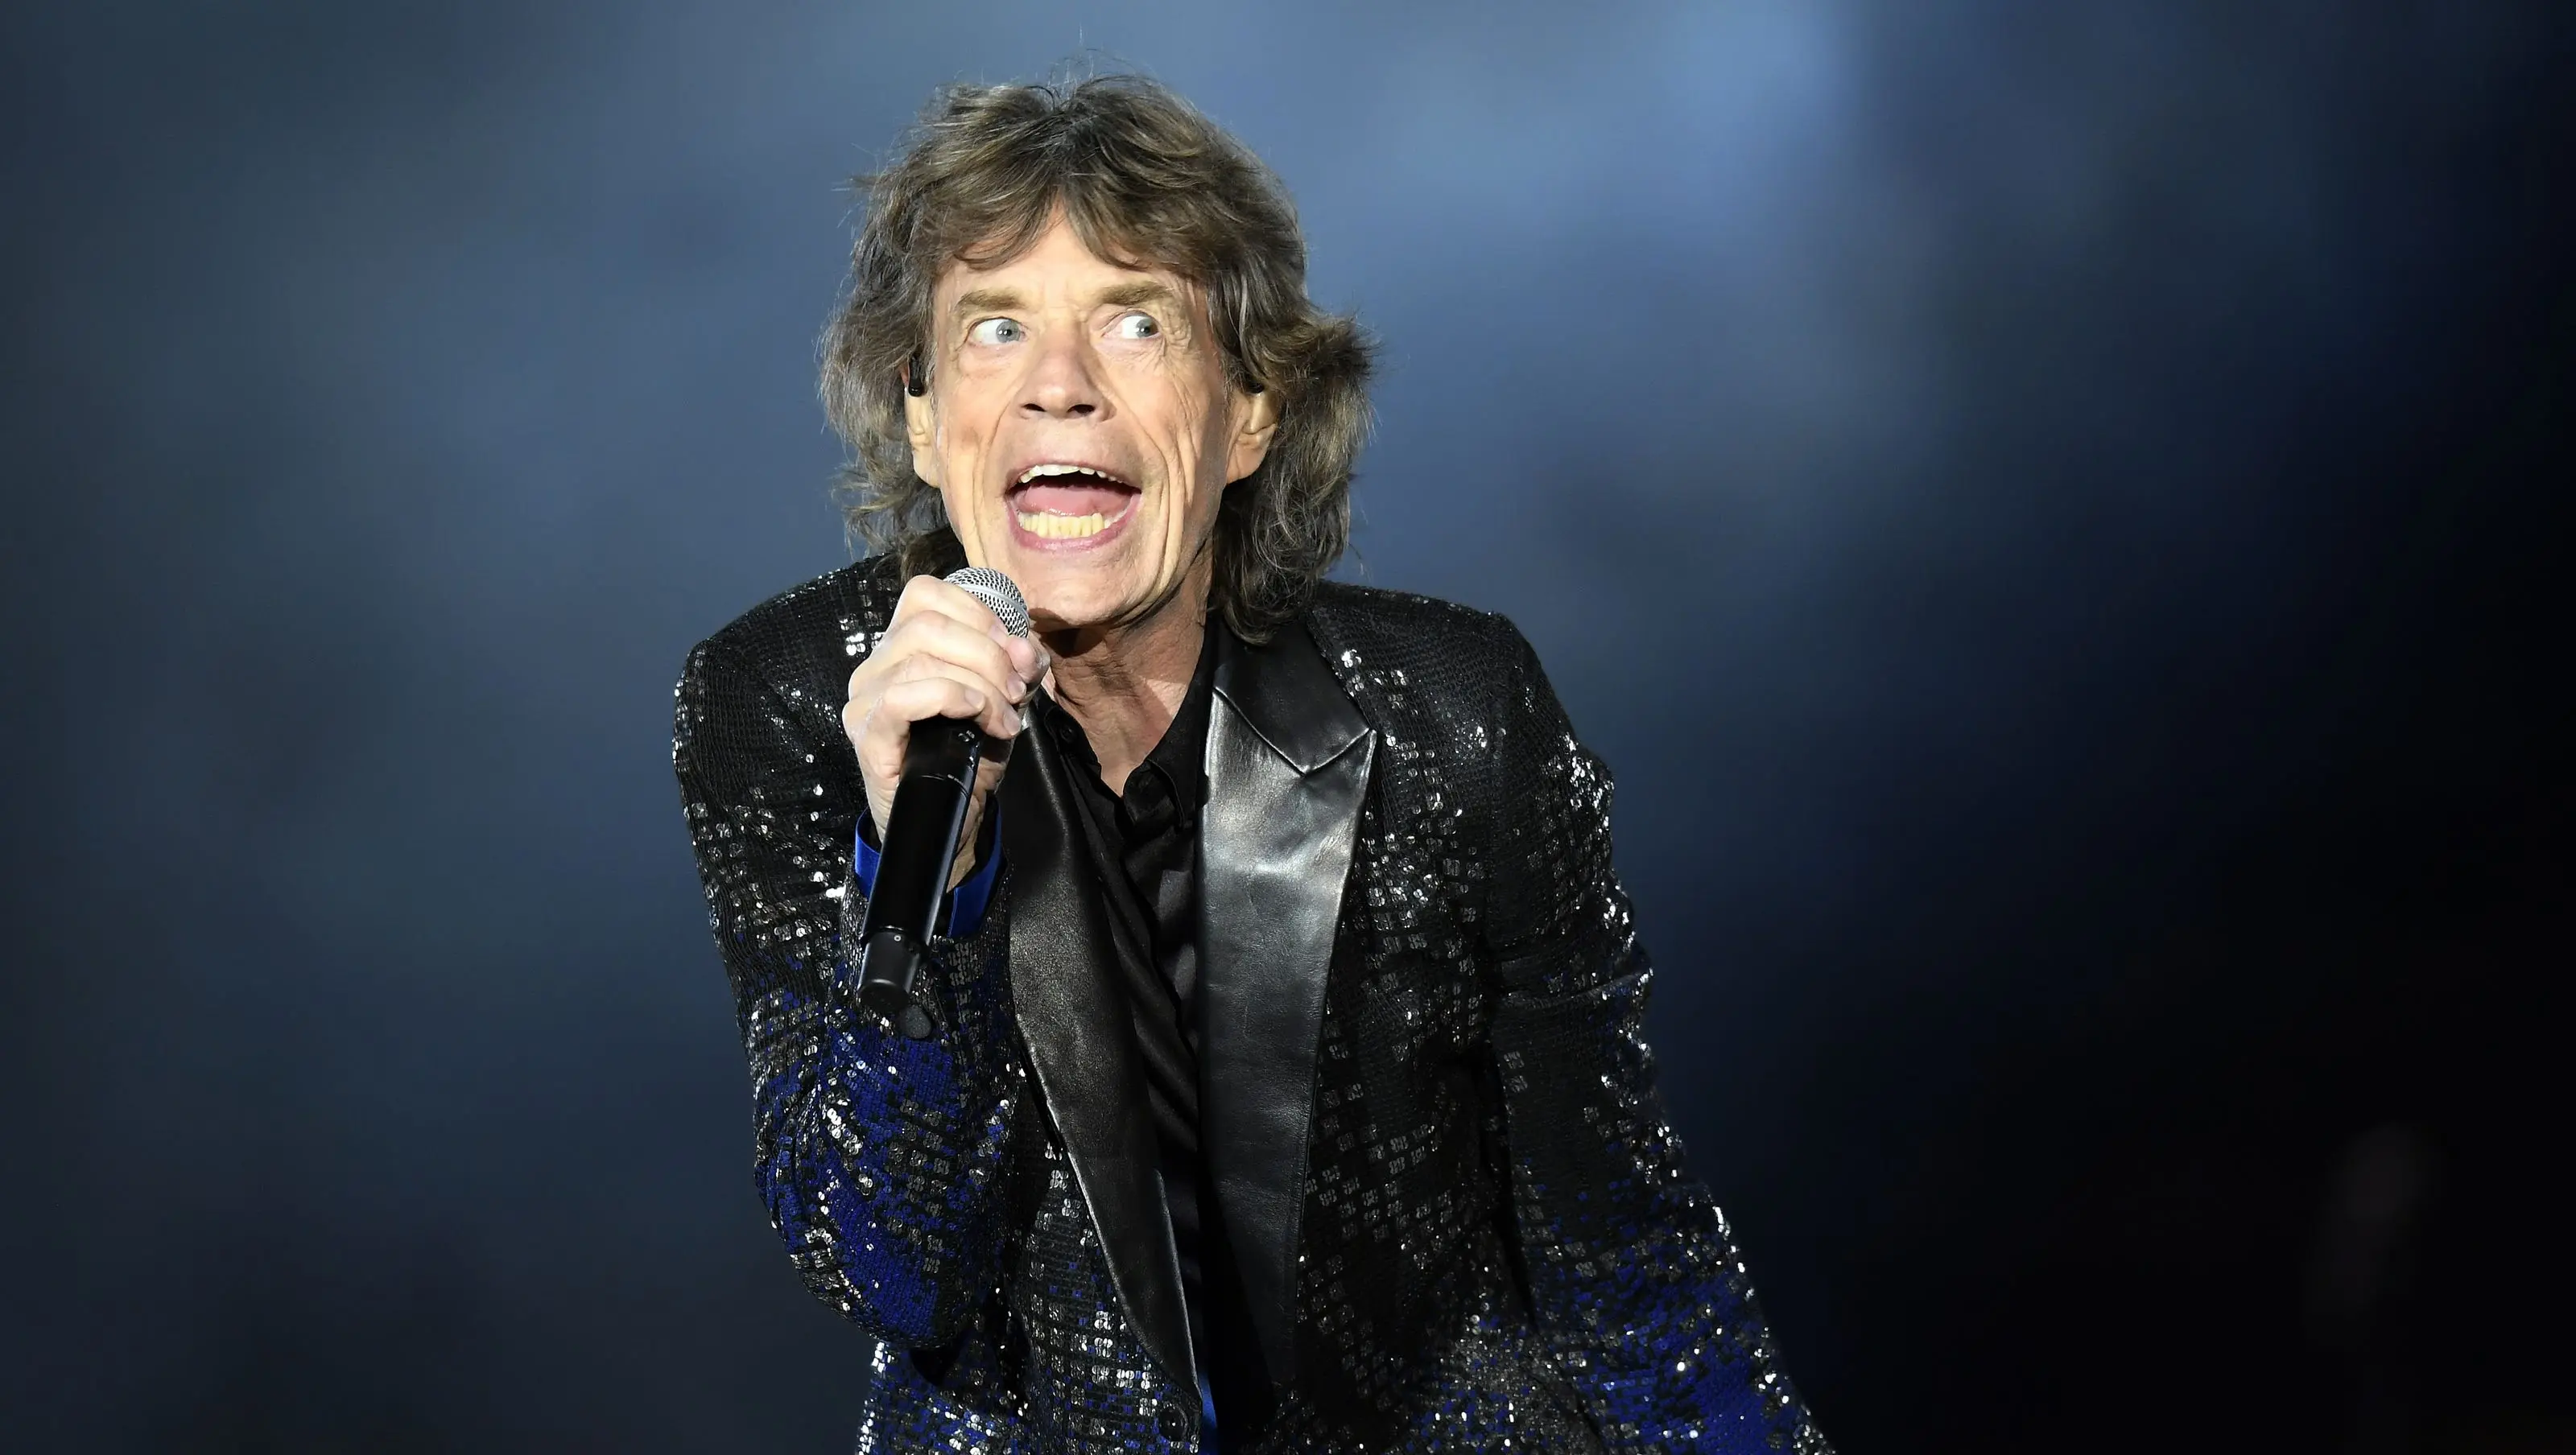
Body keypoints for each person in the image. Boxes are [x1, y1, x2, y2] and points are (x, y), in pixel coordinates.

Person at [673, 73, 1828, 1455]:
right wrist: (929, 873)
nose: (1060, 385)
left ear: (1253, 412)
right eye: (996, 326)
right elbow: (891, 1271)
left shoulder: (1457, 716)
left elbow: (1625, 1259)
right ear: (925, 417)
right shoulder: (793, 701)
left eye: (1137, 322)